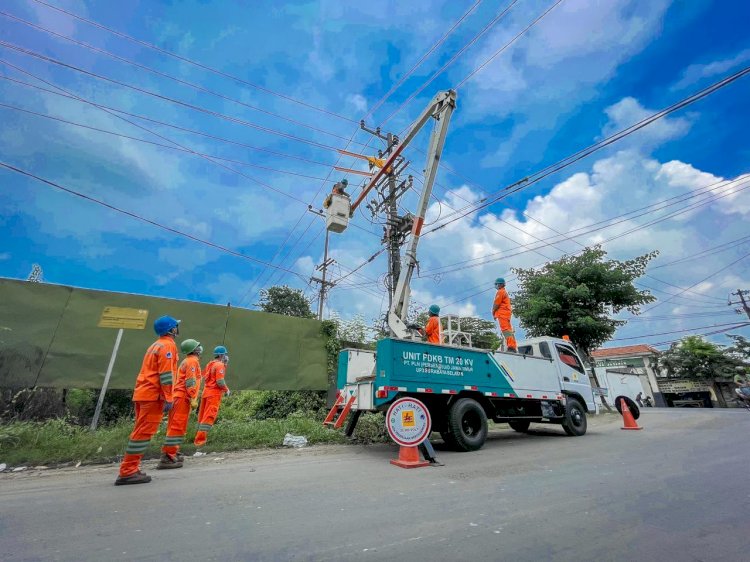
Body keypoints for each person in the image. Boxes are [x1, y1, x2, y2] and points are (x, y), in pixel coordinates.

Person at [115, 315, 180, 486]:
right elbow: (166, 375)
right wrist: (169, 397)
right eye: (176, 326)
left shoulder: (155, 345)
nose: (177, 329)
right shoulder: (168, 345)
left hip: (143, 393)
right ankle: (127, 471)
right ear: (171, 330)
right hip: (153, 395)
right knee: (143, 433)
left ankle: (131, 468)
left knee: (140, 431)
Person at [159, 338, 203, 468]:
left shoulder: (188, 361)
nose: (200, 348)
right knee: (177, 427)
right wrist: (193, 397)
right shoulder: (192, 362)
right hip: (182, 397)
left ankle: (173, 451)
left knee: (177, 426)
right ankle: (167, 456)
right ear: (195, 350)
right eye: (198, 346)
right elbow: (190, 382)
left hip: (180, 397)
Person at [194, 346, 231, 447]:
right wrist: (226, 389)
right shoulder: (219, 365)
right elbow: (220, 381)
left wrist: (225, 364)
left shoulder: (210, 364)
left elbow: (206, 377)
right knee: (208, 417)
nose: (226, 356)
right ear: (220, 355)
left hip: (206, 392)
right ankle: (200, 442)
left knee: (202, 417)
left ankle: (197, 438)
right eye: (225, 354)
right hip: (213, 395)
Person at [492, 277, 517, 352]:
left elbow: (496, 304)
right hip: (506, 314)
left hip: (503, 314)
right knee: (509, 330)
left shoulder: (500, 292)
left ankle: (511, 347)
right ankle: (513, 346)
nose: (496, 285)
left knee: (505, 330)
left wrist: (493, 311)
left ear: (500, 284)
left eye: (496, 284)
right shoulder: (504, 292)